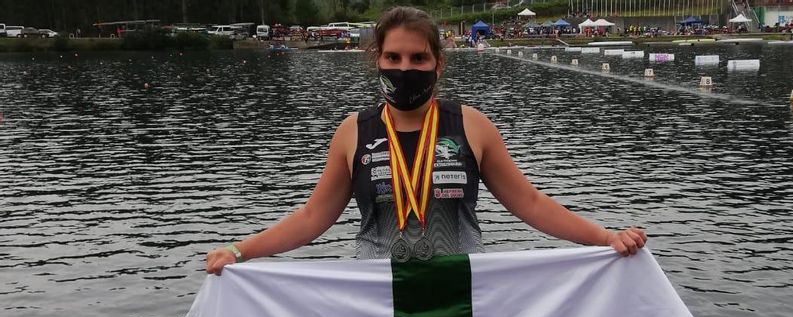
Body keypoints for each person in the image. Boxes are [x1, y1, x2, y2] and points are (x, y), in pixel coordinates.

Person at [205, 6, 646, 275]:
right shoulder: (352, 132)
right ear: (376, 60)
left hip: (463, 291)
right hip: (378, 294)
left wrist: (604, 237)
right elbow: (311, 219)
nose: (405, 67)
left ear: (438, 65)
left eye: (418, 57)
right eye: (393, 57)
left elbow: (529, 203)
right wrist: (241, 251)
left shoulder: (472, 125)